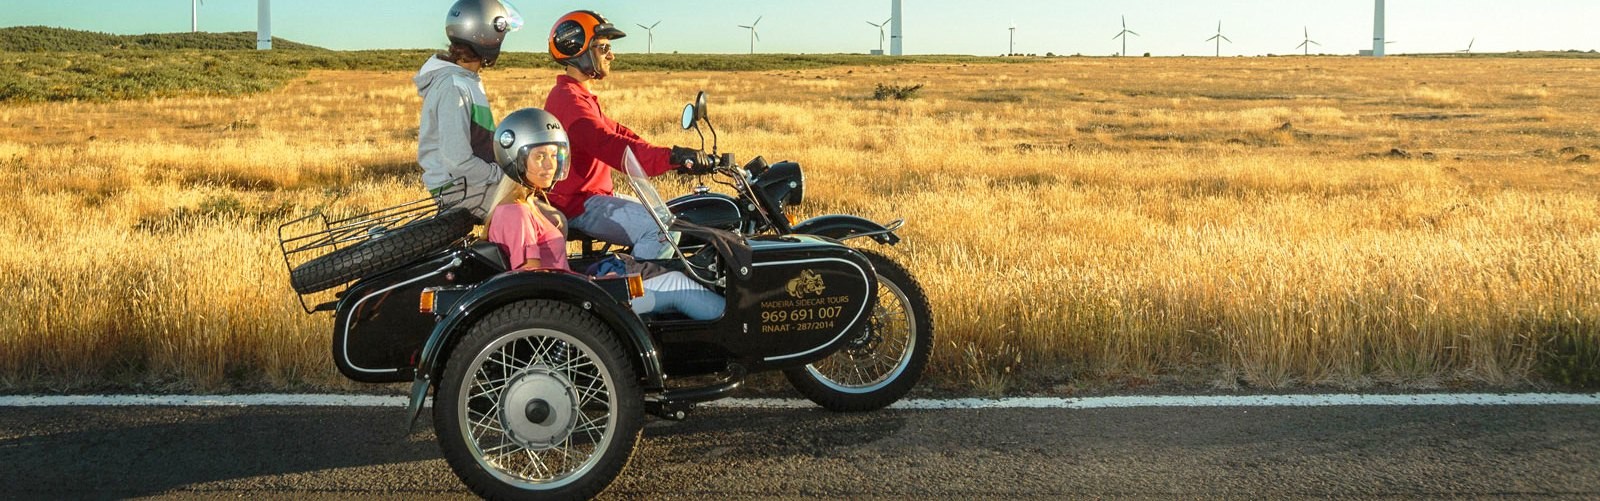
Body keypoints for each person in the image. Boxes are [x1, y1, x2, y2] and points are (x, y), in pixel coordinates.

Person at [486, 108, 724, 321]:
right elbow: (532, 280)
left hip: (579, 294)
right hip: (574, 305)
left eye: (554, 155)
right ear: (515, 159)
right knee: (676, 284)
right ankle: (732, 332)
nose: (549, 165)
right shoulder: (515, 212)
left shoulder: (529, 204)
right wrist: (594, 286)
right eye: (539, 157)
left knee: (667, 275)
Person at [543, 10, 712, 259]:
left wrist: (672, 156)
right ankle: (631, 293)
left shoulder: (576, 96)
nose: (611, 55)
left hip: (590, 197)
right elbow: (608, 144)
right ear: (577, 49)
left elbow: (619, 132)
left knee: (672, 214)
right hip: (580, 204)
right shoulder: (569, 101)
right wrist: (671, 157)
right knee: (662, 230)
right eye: (603, 48)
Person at [414, 0, 523, 219]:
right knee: (543, 220)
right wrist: (500, 175)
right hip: (460, 189)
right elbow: (458, 160)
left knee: (542, 205)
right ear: (489, 38)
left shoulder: (466, 80)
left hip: (471, 183)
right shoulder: (453, 86)